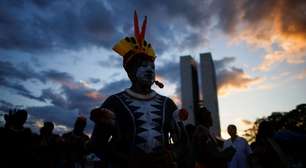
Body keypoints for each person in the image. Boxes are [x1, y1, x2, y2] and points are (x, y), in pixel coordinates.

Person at [89, 11, 184, 168]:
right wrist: (125, 160)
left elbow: (183, 142)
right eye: (142, 66)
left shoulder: (168, 104)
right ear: (131, 72)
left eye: (152, 67)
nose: (149, 70)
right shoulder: (114, 103)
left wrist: (172, 155)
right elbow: (96, 145)